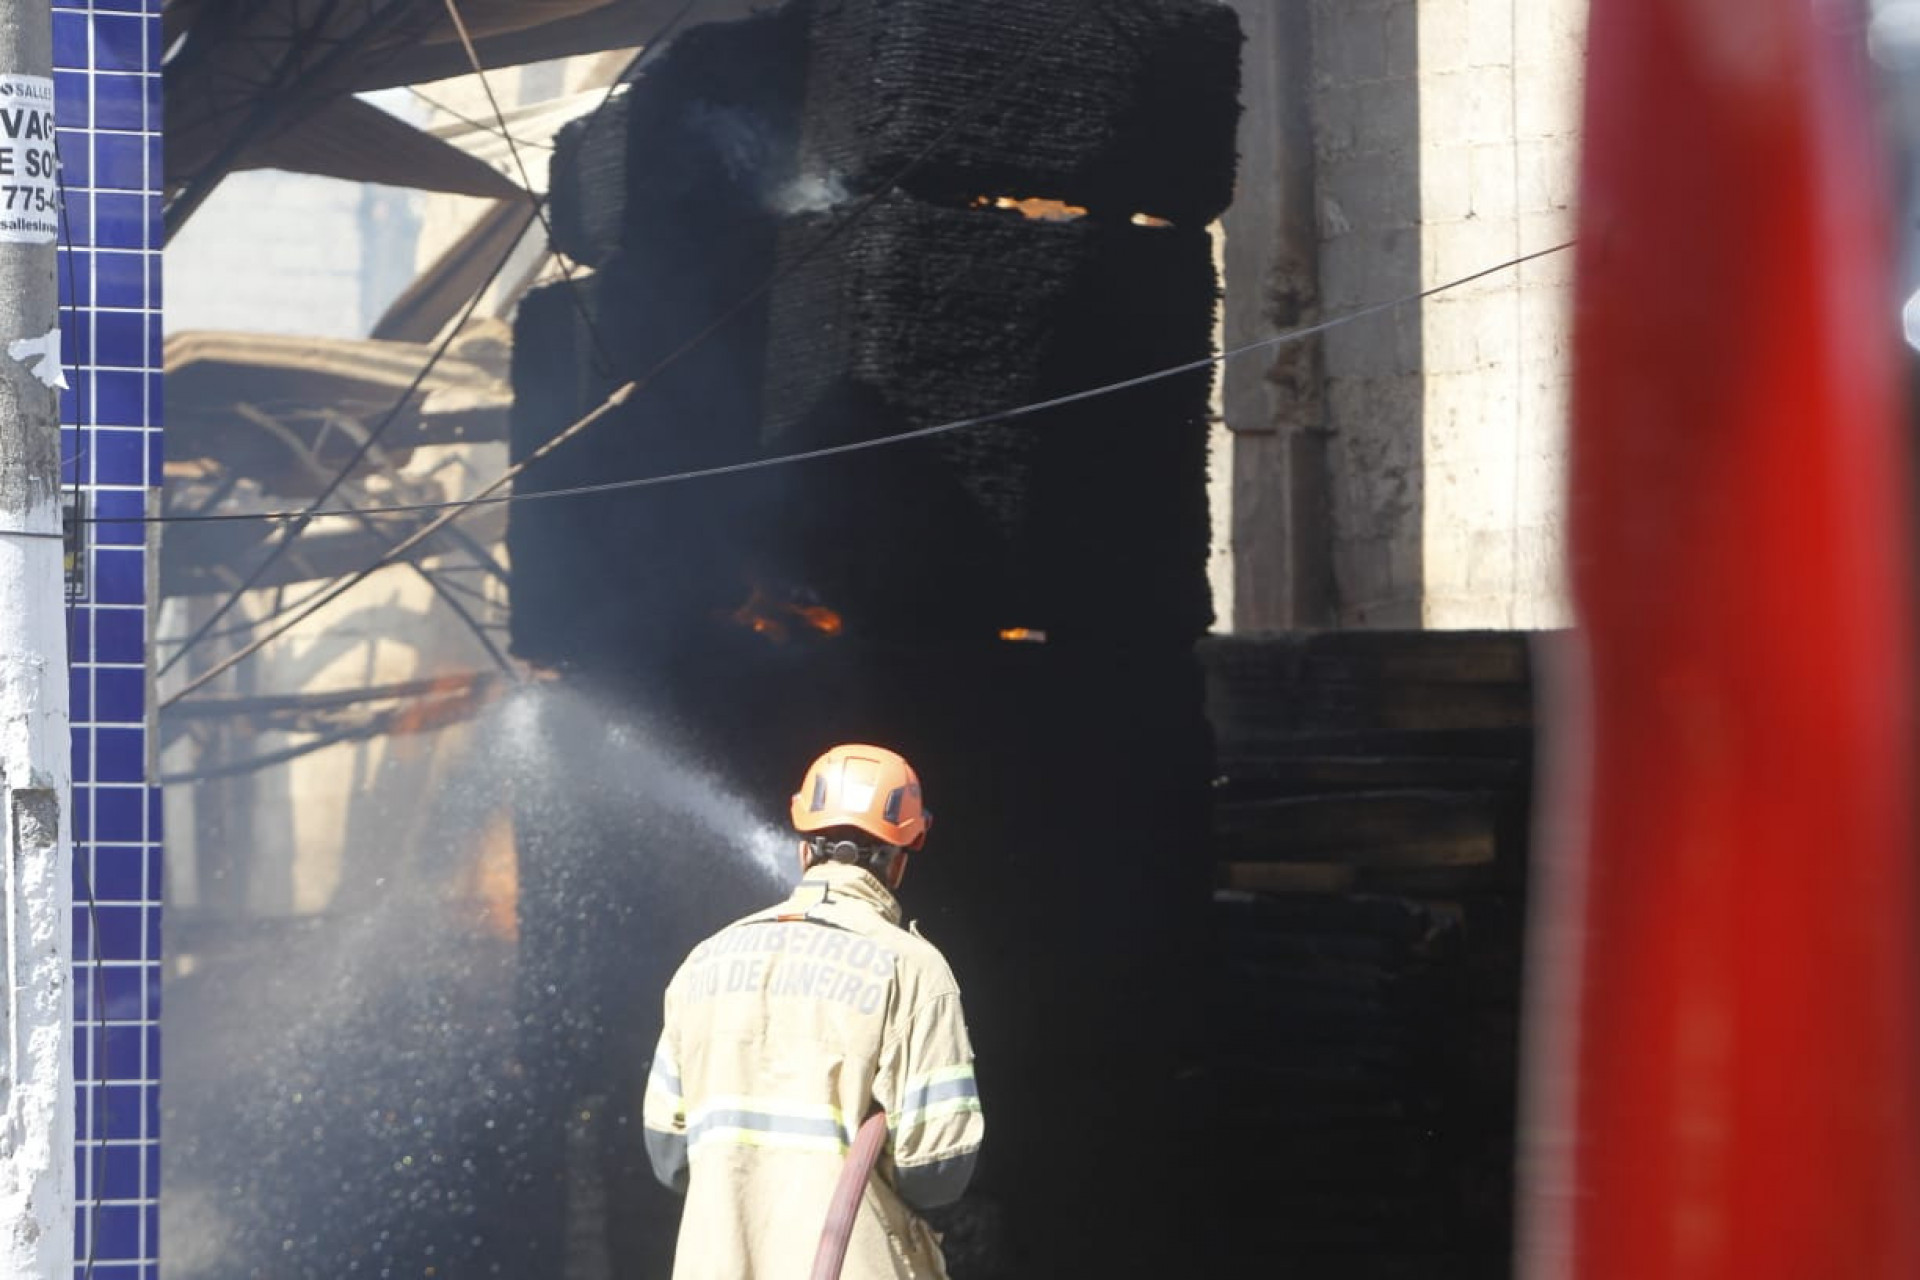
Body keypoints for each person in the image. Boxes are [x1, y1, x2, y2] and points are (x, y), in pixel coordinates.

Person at [642, 743, 985, 1279]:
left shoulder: (703, 962)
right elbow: (936, 1170)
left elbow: (670, 1155)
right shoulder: (913, 970)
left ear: (804, 850)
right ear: (902, 857)